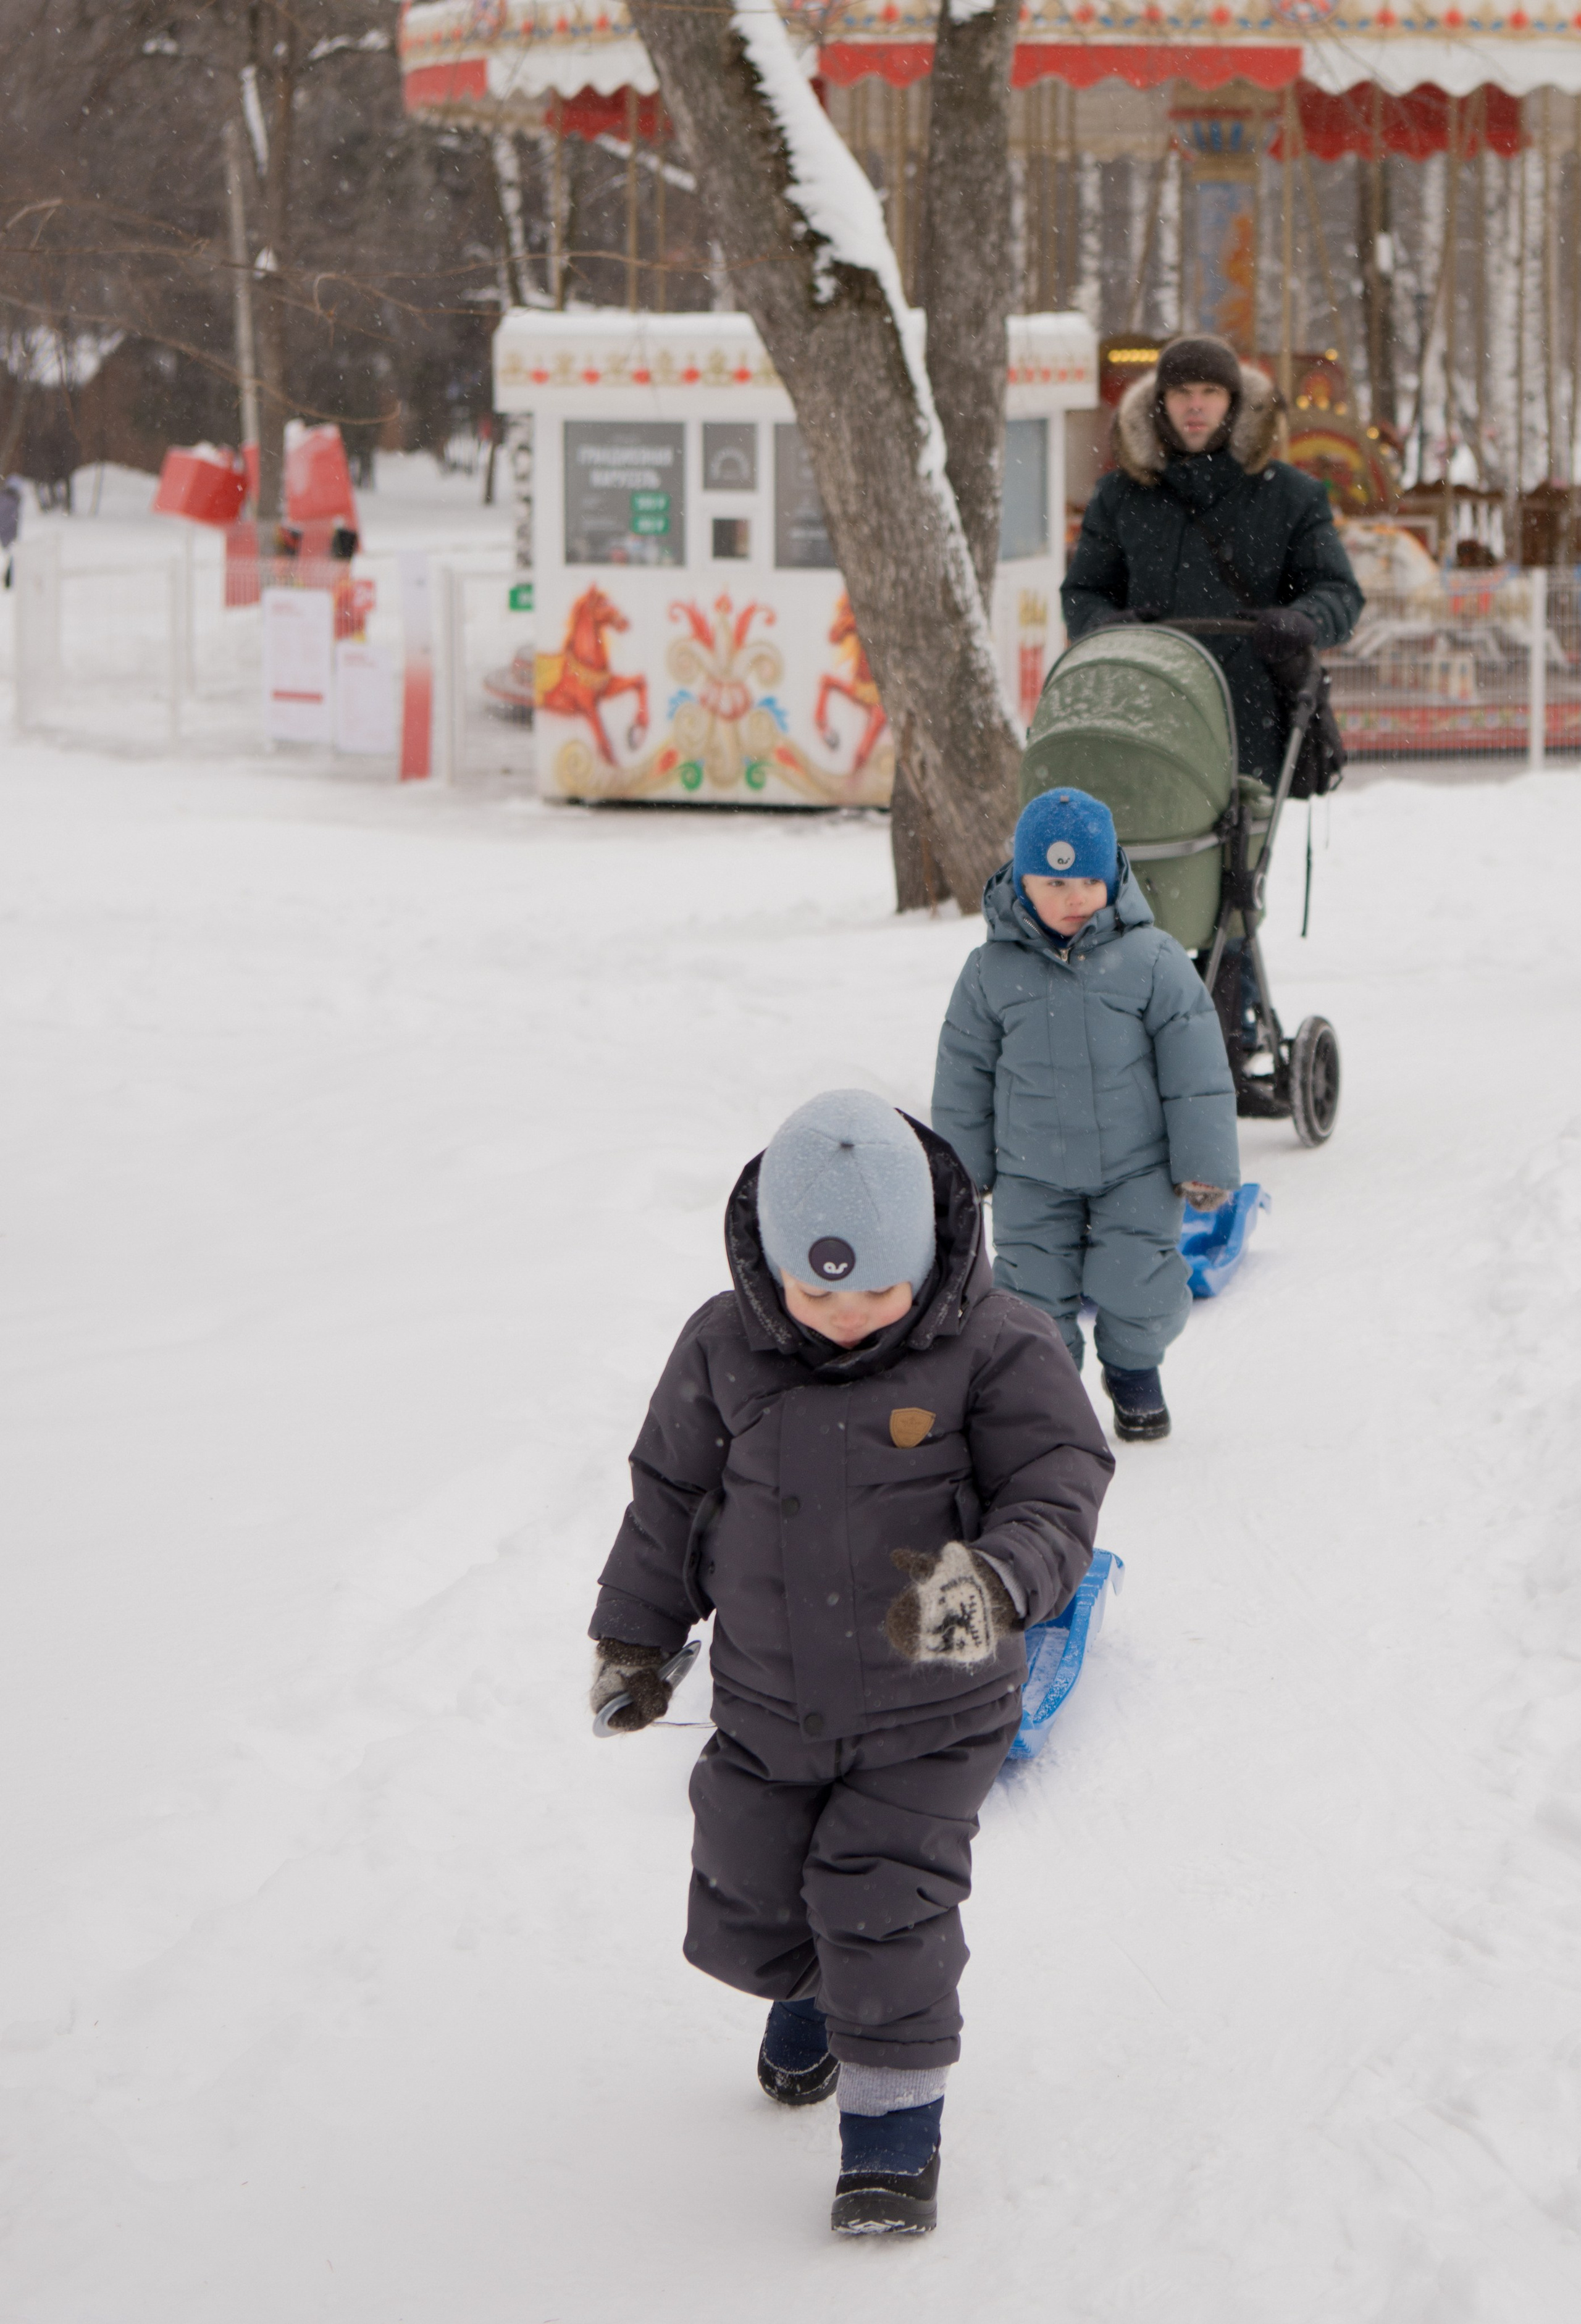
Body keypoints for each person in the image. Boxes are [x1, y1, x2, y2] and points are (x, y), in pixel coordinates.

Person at [587, 1089, 1112, 2237]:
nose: (841, 1313)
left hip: (936, 1697)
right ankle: (813, 1991)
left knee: (883, 1895)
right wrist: (637, 1631)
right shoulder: (721, 1346)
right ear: (768, 1260)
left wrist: (1005, 1575)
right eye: (813, 1288)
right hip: (772, 1692)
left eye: (874, 1287)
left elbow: (1061, 1478)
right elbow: (667, 1499)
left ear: (926, 1257)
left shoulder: (995, 1345)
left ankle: (892, 2130)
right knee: (751, 1867)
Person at [931, 788, 1239, 1444]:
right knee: (1029, 1299)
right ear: (1021, 882)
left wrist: (1204, 1164)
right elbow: (964, 1077)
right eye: (1055, 882)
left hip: (1136, 1167)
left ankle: (1133, 1372)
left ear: (1113, 878)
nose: (1074, 897)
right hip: (1029, 1171)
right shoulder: (989, 972)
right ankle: (1049, 1399)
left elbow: (1196, 1072)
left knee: (1140, 1282)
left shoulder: (1152, 960)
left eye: (1089, 881)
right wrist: (961, 1174)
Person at [1061, 333, 1363, 792]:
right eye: (1182, 393)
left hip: (1252, 725)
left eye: (1210, 392)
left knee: (1241, 860)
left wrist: (1302, 621)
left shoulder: (1292, 496)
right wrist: (1106, 625)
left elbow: (1340, 594)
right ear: (1160, 402)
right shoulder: (1119, 498)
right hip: (1142, 716)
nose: (1195, 406)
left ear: (1235, 403)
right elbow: (1083, 593)